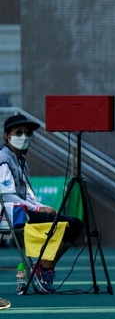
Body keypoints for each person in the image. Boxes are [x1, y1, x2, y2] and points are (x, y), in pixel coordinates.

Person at [0, 114, 83, 293]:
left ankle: (43, 266)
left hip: (21, 211)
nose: (24, 137)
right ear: (7, 135)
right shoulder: (3, 160)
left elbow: (27, 196)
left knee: (76, 224)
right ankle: (43, 268)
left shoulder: (20, 161)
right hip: (7, 214)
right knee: (64, 223)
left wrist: (39, 204)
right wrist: (37, 208)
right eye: (18, 132)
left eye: (28, 133)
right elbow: (7, 197)